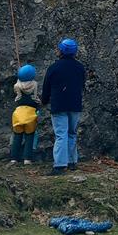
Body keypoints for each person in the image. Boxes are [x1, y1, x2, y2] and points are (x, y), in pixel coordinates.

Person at [41, 38, 86, 175]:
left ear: (61, 50)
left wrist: (43, 101)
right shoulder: (80, 67)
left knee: (61, 134)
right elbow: (82, 84)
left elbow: (46, 87)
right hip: (75, 104)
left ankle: (60, 165)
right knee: (72, 133)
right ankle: (72, 161)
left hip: (59, 104)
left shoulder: (54, 67)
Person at [11, 64, 39, 165]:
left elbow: (18, 89)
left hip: (18, 114)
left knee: (17, 136)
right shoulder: (35, 84)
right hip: (30, 113)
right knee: (29, 137)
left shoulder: (17, 86)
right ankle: (27, 159)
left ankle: (14, 158)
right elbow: (35, 98)